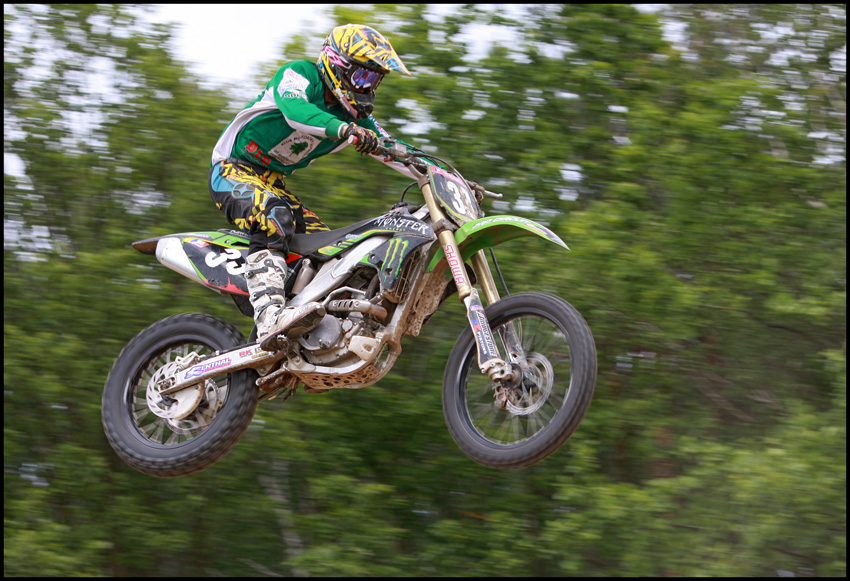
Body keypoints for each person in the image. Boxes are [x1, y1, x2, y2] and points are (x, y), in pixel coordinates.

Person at [208, 24, 417, 352]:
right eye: (363, 76)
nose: (367, 87)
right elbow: (296, 112)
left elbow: (394, 149)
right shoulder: (299, 75)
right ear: (338, 66)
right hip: (231, 170)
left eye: (374, 80)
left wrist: (446, 176)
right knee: (274, 217)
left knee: (337, 252)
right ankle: (269, 317)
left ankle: (316, 335)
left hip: (274, 185)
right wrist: (344, 130)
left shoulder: (353, 118)